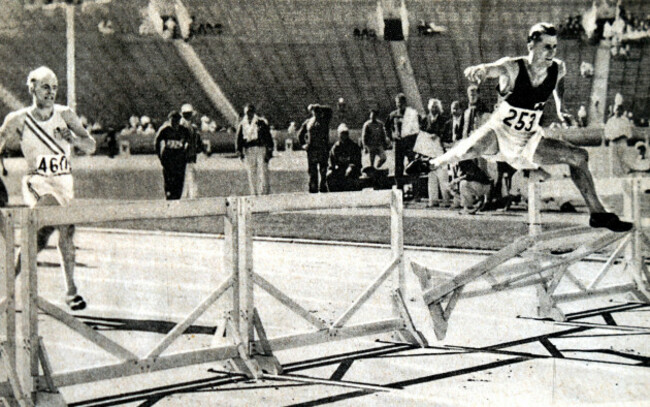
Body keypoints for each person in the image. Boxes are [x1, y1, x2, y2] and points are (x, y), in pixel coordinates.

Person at [429, 22, 632, 232]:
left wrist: (560, 106)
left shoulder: (558, 68)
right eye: (546, 46)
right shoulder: (514, 67)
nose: (552, 52)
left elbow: (558, 83)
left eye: (554, 46)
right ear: (531, 46)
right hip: (500, 134)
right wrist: (480, 70)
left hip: (529, 141)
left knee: (579, 156)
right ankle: (432, 163)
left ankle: (598, 213)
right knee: (471, 149)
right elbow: (493, 68)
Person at [0, 66, 96, 310]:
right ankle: (72, 291)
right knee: (62, 221)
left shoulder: (65, 114)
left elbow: (90, 145)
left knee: (38, 240)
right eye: (45, 87)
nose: (51, 92)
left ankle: (8, 286)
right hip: (37, 182)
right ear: (31, 87)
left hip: (63, 182)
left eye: (54, 87)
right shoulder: (18, 119)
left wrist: (73, 140)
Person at [236, 104, 274, 195]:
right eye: (247, 113)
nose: (249, 115)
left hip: (260, 148)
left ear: (253, 112)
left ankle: (263, 193)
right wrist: (239, 151)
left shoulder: (260, 122)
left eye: (250, 112)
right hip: (249, 149)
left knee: (262, 172)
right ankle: (254, 193)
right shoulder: (242, 124)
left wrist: (269, 151)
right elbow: (239, 138)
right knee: (251, 172)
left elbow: (268, 137)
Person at [385, 93, 420, 188]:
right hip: (398, 143)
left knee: (413, 165)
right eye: (397, 103)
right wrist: (392, 136)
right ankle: (399, 190)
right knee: (398, 167)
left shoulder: (411, 114)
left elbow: (418, 127)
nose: (399, 105)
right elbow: (386, 127)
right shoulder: (393, 115)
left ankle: (416, 191)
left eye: (401, 103)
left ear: (405, 103)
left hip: (409, 143)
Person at [298, 104, 333, 193]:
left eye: (318, 111)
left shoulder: (325, 120)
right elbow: (300, 134)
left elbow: (329, 110)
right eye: (315, 111)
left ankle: (323, 186)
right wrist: (303, 144)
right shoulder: (308, 122)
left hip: (323, 148)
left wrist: (317, 106)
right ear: (312, 112)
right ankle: (313, 187)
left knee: (323, 169)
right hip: (312, 149)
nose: (317, 113)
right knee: (312, 170)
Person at [155, 111, 190, 200]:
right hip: (169, 155)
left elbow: (190, 142)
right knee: (168, 177)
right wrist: (160, 155)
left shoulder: (184, 130)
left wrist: (186, 153)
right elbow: (157, 141)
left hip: (179, 156)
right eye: (172, 120)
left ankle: (177, 196)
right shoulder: (165, 130)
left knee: (179, 177)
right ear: (169, 120)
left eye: (176, 120)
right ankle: (169, 194)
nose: (174, 122)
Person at [326, 124, 362, 192]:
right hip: (340, 169)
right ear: (339, 135)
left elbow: (357, 162)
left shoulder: (354, 146)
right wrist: (332, 168)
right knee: (329, 175)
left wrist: (351, 166)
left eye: (345, 133)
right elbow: (332, 162)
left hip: (352, 169)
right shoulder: (335, 147)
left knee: (350, 173)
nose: (344, 135)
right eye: (342, 133)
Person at [180, 103, 203, 198]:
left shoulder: (192, 126)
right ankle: (190, 196)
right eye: (186, 113)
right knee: (189, 176)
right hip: (186, 155)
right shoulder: (182, 125)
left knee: (189, 176)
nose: (188, 115)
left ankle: (188, 196)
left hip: (190, 154)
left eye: (189, 113)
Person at [604, 103, 634, 176]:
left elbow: (629, 134)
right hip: (613, 143)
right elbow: (607, 133)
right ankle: (614, 178)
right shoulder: (610, 121)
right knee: (613, 162)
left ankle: (624, 176)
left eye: (619, 109)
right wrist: (612, 137)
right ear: (614, 110)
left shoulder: (625, 120)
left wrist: (622, 136)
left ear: (622, 110)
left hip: (622, 142)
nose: (617, 111)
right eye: (616, 109)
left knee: (624, 161)